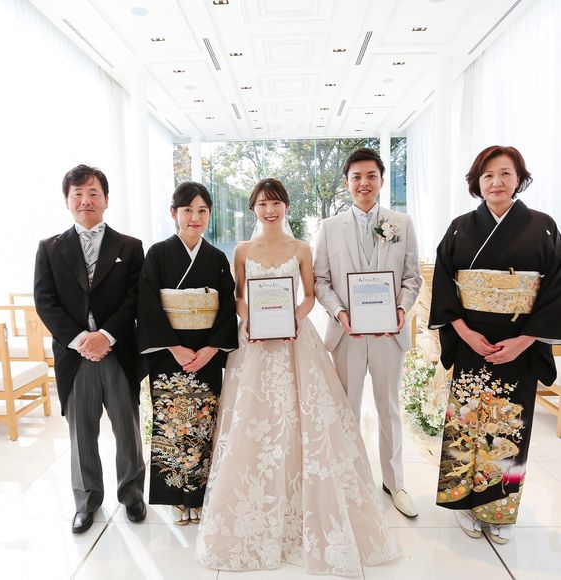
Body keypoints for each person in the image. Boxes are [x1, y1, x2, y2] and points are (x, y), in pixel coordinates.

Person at [196, 178, 398, 577]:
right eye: (262, 204)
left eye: (276, 203)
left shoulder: (301, 248)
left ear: (285, 206)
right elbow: (239, 296)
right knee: (256, 420)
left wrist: (293, 317)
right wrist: (253, 319)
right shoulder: (242, 250)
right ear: (253, 209)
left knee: (305, 418)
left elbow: (309, 294)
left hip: (295, 338)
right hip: (256, 341)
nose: (269, 210)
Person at [429, 145, 561, 544]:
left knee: (509, 427)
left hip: (519, 347)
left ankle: (499, 509)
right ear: (477, 183)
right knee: (466, 425)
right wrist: (465, 333)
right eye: (487, 175)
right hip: (472, 343)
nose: (496, 182)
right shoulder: (459, 228)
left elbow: (555, 289)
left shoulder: (543, 227)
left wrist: (525, 340)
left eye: (505, 173)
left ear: (519, 178)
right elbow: (444, 285)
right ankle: (463, 504)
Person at [34, 164, 146, 534]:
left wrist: (106, 335)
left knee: (127, 428)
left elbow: (135, 298)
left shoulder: (130, 247)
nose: (86, 200)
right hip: (75, 355)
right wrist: (82, 339)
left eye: (93, 193)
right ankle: (86, 501)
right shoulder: (49, 248)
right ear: (67, 201)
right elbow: (45, 301)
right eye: (78, 194)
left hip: (118, 351)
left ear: (106, 200)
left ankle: (132, 495)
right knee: (81, 433)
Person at [314, 148, 421, 518]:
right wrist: (339, 312)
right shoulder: (329, 228)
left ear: (381, 180)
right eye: (356, 177)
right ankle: (349, 480)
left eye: (371, 176)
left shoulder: (401, 223)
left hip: (389, 335)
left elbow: (412, 277)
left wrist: (401, 309)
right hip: (348, 335)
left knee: (389, 408)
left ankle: (395, 482)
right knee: (347, 408)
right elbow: (321, 280)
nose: (364, 183)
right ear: (347, 183)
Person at [137, 182, 238, 525]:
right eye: (187, 210)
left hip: (205, 354)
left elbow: (226, 309)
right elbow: (148, 305)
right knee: (172, 423)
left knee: (203, 424)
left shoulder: (217, 258)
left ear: (210, 214)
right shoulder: (157, 254)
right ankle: (175, 495)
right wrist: (175, 347)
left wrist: (211, 349)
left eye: (202, 211)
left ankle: (198, 494)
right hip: (169, 353)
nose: (195, 217)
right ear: (173, 213)